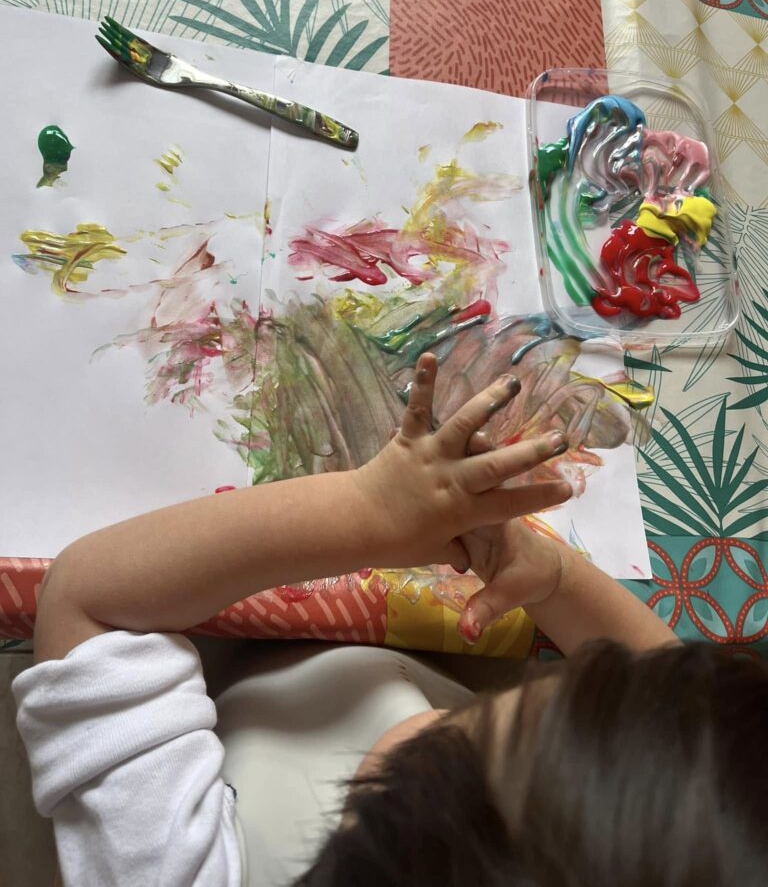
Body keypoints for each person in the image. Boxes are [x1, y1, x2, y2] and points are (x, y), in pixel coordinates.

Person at [13, 354, 768, 886]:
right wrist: (560, 578)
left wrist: (364, 513)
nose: (452, 719)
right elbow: (660, 687)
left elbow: (86, 599)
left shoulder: (158, 872)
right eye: (552, 695)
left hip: (226, 689)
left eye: (463, 732)